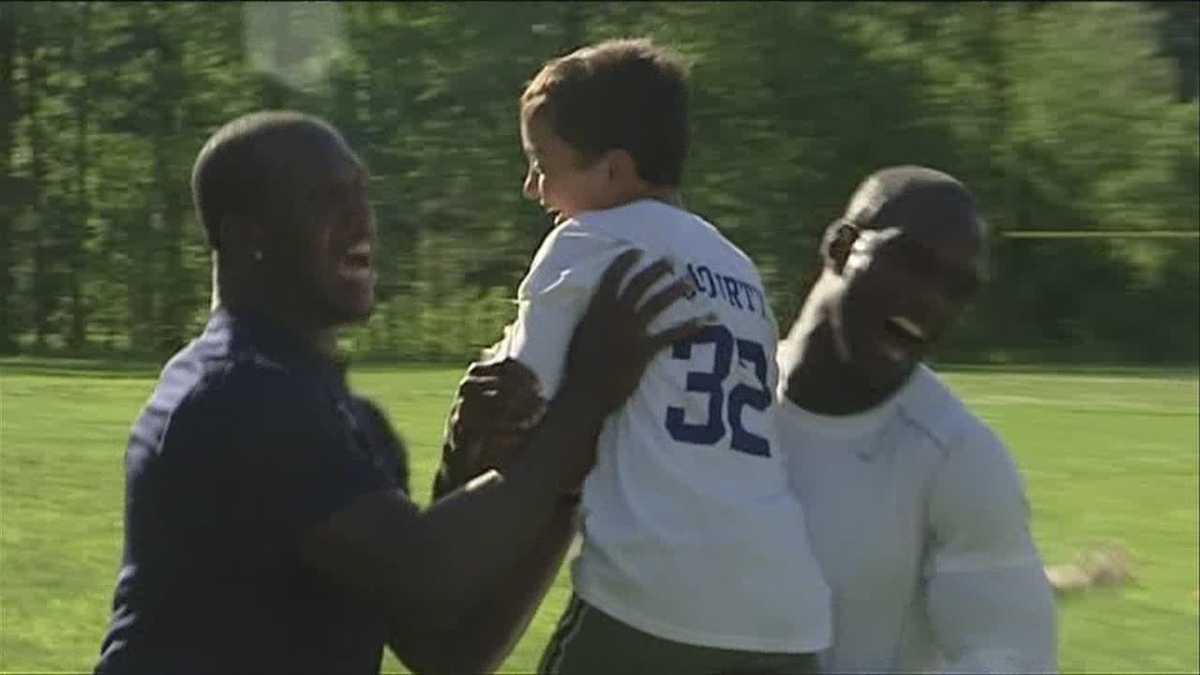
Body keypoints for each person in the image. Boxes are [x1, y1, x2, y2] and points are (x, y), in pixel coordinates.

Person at [94, 110, 703, 675]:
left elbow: (446, 650)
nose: (362, 219)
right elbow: (425, 573)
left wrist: (558, 485)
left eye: (361, 194)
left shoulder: (345, 417)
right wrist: (585, 400)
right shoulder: (235, 393)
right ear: (248, 235)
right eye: (325, 199)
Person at [443, 38, 831, 675]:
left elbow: (518, 402)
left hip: (657, 595)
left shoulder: (588, 239)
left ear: (614, 172)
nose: (532, 186)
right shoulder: (739, 270)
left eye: (544, 163)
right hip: (785, 611)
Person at [774, 165, 1058, 673]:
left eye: (958, 289)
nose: (932, 300)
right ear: (840, 247)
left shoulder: (958, 457)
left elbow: (1011, 657)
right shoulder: (727, 401)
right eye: (911, 262)